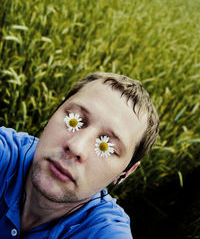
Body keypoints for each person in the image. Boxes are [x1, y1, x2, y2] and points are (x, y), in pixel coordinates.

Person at [0, 72, 159, 238]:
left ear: (126, 173)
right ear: (53, 114)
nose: (76, 147)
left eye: (106, 147)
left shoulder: (105, 232)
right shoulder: (4, 153)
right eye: (73, 119)